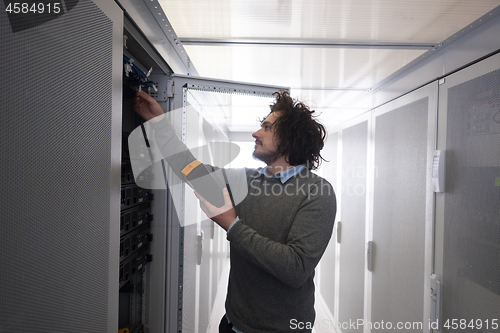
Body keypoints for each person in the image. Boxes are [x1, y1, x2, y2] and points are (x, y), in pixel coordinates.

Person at [134, 89, 336, 333]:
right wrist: (159, 123)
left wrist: (232, 225)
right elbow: (189, 168)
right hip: (232, 324)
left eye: (266, 127)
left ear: (290, 138)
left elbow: (295, 269)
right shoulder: (245, 180)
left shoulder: (317, 192)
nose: (256, 133)